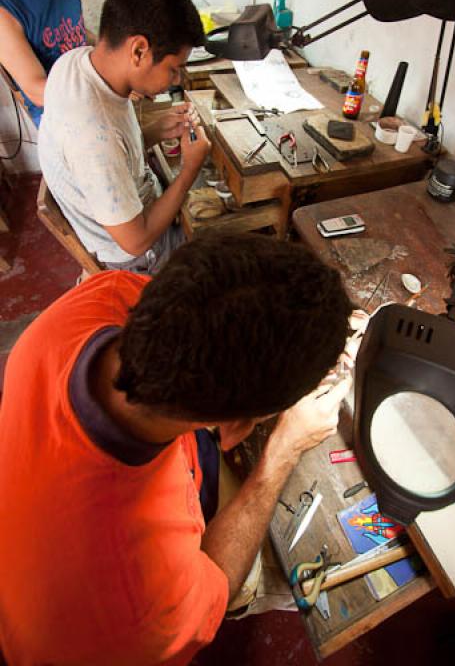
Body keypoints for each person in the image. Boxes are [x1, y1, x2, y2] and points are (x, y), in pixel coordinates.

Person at [0, 232, 354, 665]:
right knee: (258, 571)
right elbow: (218, 584)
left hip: (44, 510)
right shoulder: (143, 597)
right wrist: (282, 449)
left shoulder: (104, 297)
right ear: (234, 428)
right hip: (78, 625)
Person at [38, 0, 210, 274]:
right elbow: (137, 240)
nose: (176, 80)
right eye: (173, 69)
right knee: (224, 247)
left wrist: (155, 131)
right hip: (136, 260)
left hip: (131, 208)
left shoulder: (74, 62)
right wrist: (189, 170)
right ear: (139, 50)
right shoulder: (92, 135)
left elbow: (113, 150)